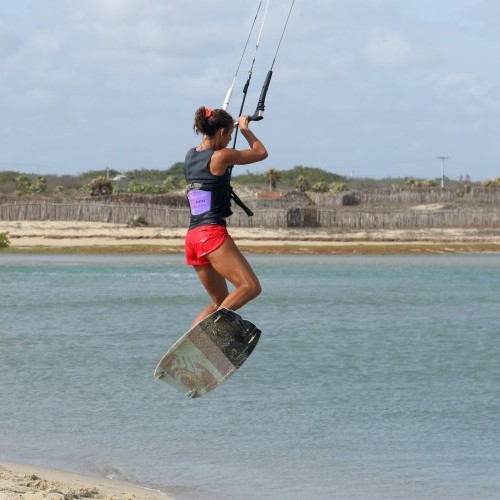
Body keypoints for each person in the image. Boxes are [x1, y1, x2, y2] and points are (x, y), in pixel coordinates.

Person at [184, 106, 268, 326]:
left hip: (192, 238)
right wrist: (245, 128)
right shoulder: (221, 156)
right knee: (250, 287)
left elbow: (207, 148)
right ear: (221, 132)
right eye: (230, 136)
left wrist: (228, 127)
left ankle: (196, 342)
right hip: (211, 235)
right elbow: (261, 152)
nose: (230, 141)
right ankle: (213, 329)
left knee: (219, 301)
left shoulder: (190, 155)